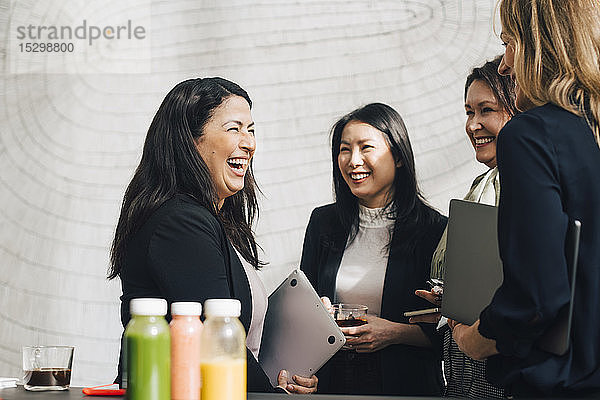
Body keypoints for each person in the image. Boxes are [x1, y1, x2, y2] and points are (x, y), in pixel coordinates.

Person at [108, 77, 317, 394]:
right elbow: (216, 342)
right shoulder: (179, 223)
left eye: (251, 130)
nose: (249, 143)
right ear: (191, 141)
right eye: (234, 128)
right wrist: (272, 396)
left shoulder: (209, 220)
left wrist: (276, 384)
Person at [450, 0, 600, 397]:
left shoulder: (531, 135)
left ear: (541, 44)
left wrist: (474, 339)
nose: (504, 64)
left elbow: (536, 299)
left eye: (510, 42)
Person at [300, 103, 447, 396]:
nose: (354, 160)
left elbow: (450, 330)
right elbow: (302, 307)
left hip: (405, 383)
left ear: (399, 156)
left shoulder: (435, 229)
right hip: (332, 382)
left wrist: (393, 333)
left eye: (366, 147)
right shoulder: (323, 222)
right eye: (344, 149)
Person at [412, 56, 517, 398]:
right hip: (462, 372)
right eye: (469, 112)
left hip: (499, 371)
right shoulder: (479, 187)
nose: (473, 125)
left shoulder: (526, 189)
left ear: (518, 110)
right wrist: (449, 301)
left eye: (486, 110)